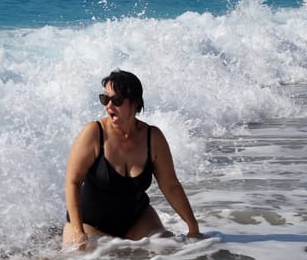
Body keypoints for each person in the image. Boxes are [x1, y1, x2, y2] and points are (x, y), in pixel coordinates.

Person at [62, 69, 203, 250]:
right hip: (91, 223)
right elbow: (72, 182)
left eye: (117, 100)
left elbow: (170, 185)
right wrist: (78, 230)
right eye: (105, 99)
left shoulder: (153, 137)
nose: (109, 106)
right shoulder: (94, 133)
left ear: (135, 103)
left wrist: (193, 228)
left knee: (169, 248)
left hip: (136, 220)